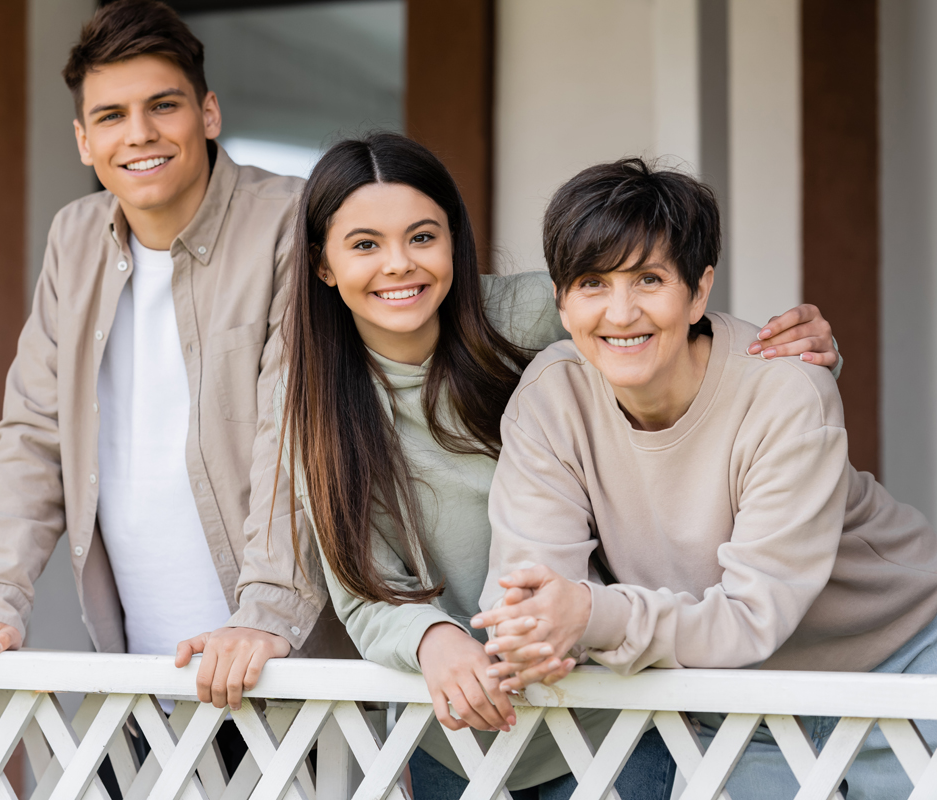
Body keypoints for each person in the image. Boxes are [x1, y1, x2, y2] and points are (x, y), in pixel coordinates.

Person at [274, 133, 841, 799]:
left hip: (607, 710)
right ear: (323, 265)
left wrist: (808, 361)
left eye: (422, 237)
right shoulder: (321, 409)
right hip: (458, 726)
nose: (399, 264)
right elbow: (363, 585)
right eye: (365, 244)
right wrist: (434, 641)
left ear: (454, 241)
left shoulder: (530, 315)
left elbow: (667, 333)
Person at [0, 0, 354, 748]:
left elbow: (298, 431)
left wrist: (263, 619)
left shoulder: (290, 220)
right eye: (111, 116)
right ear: (85, 141)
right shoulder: (74, 239)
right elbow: (32, 434)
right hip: (132, 675)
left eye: (163, 105)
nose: (140, 134)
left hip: (281, 667)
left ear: (208, 113)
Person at [474, 158, 937, 800]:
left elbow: (753, 615)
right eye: (592, 283)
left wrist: (588, 615)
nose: (621, 313)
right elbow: (535, 593)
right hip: (732, 697)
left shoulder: (786, 390)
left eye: (648, 279)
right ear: (561, 301)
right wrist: (536, 633)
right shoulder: (550, 399)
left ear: (699, 291)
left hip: (904, 655)